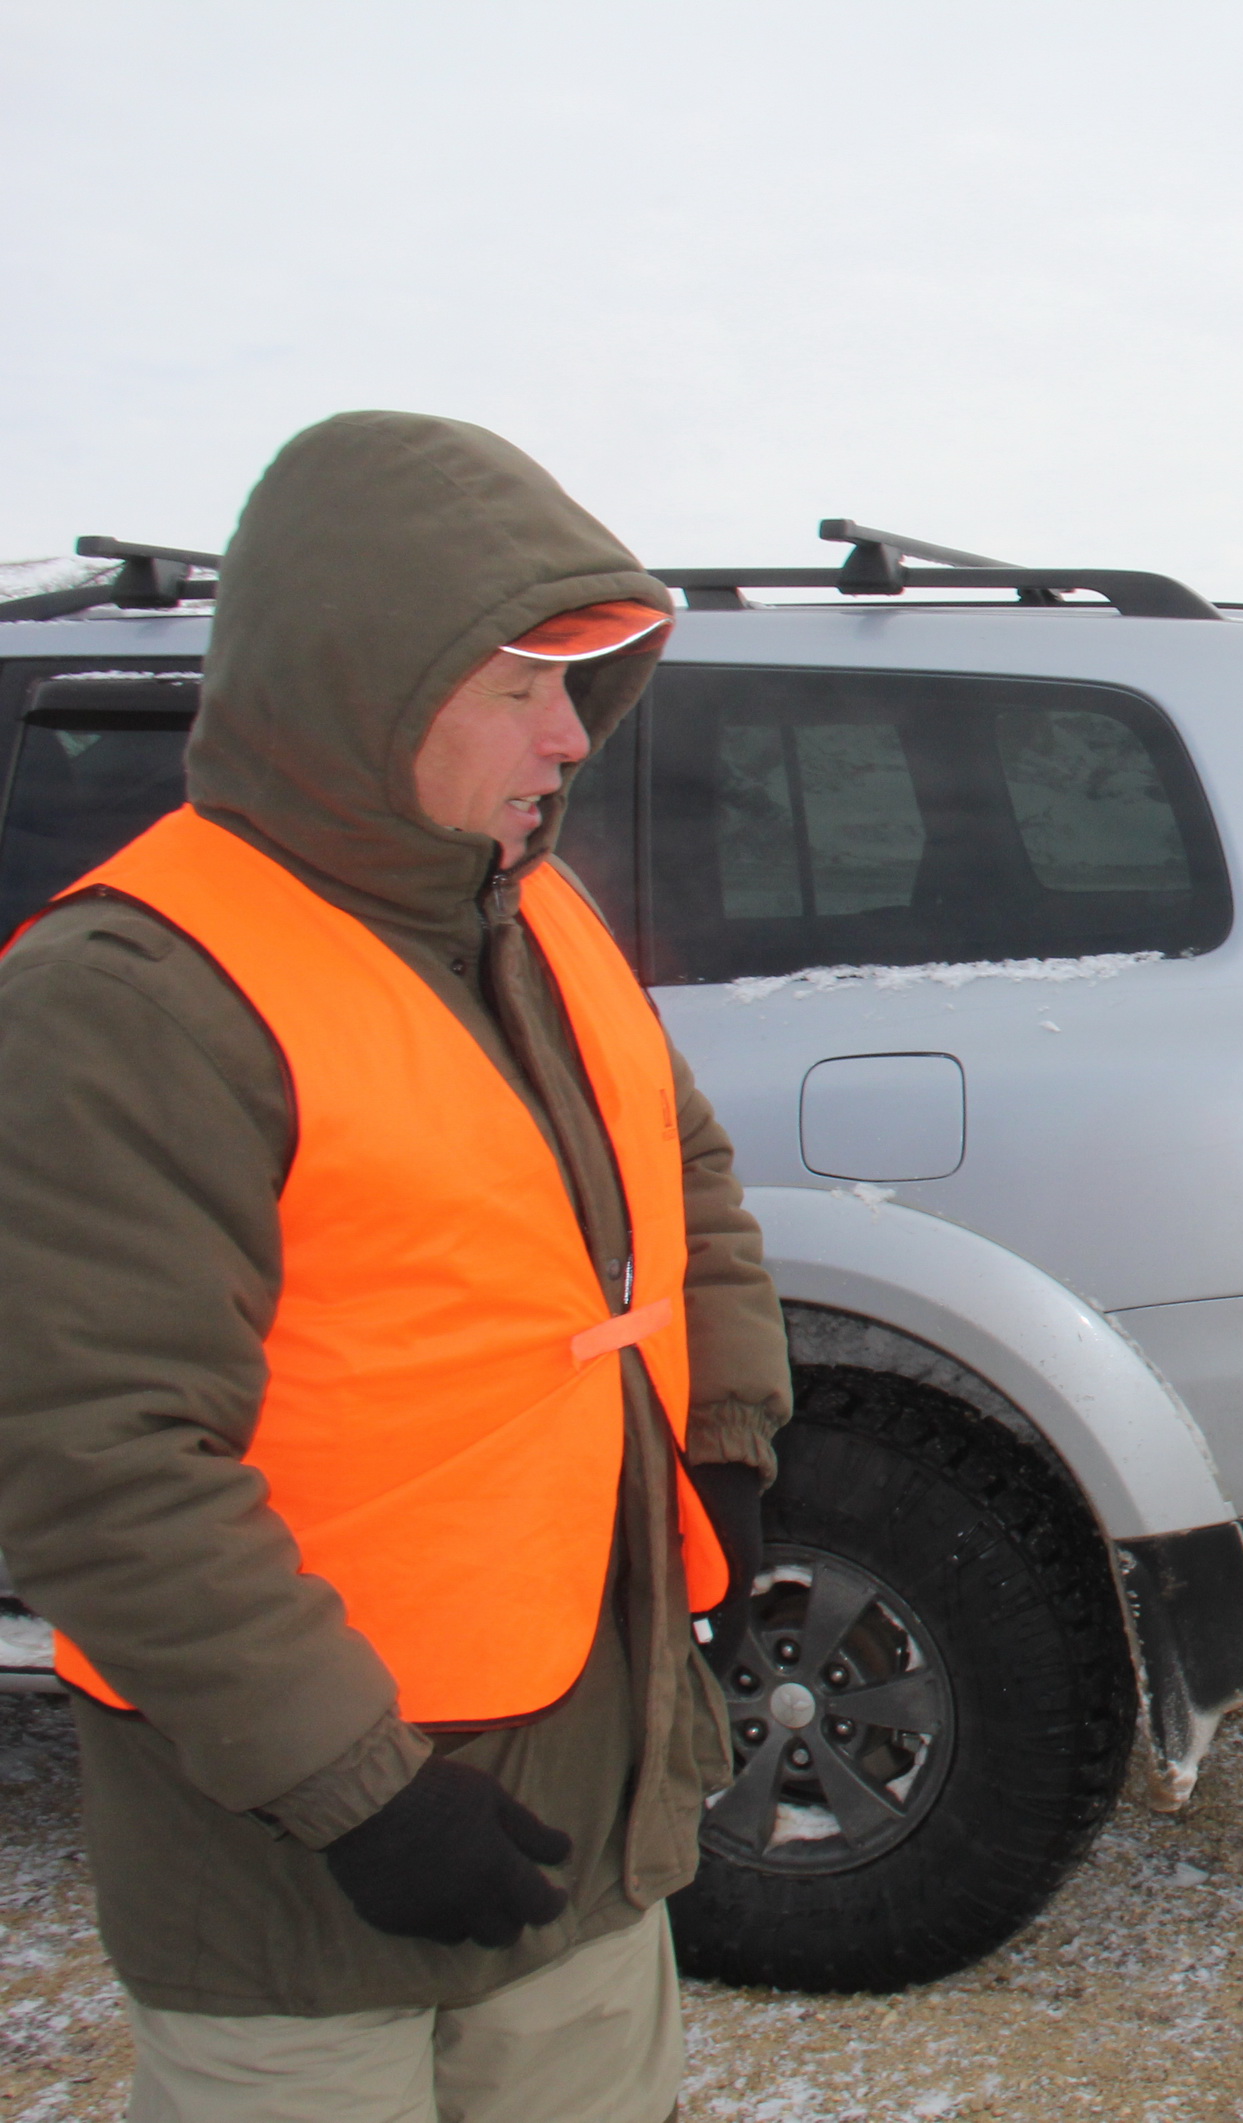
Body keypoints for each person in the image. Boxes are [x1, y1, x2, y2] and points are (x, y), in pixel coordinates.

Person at [0, 411, 790, 2117]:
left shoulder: (530, 912)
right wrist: (357, 1788)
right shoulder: (131, 996)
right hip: (302, 1881)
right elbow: (96, 1460)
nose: (570, 735)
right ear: (361, 688)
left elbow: (686, 1180)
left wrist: (722, 1441)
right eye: (519, 687)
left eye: (578, 685)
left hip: (582, 1806)